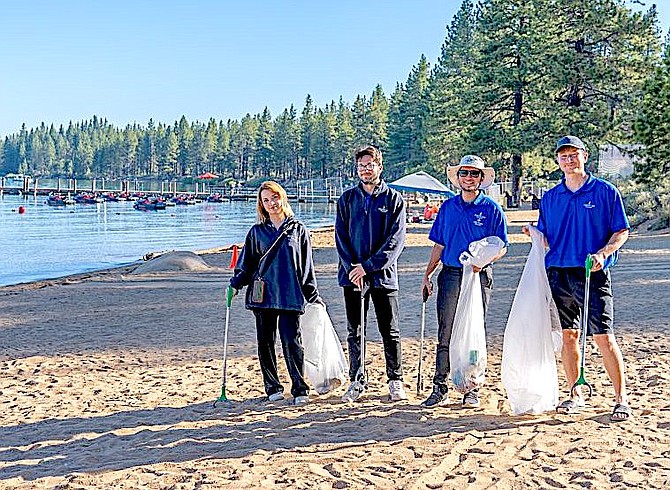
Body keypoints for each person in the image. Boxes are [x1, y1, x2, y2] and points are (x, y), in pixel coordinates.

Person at [528, 135, 631, 421]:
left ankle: (621, 399)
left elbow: (621, 231)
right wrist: (535, 236)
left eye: (574, 154)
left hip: (592, 272)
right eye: (564, 156)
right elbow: (548, 239)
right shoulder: (550, 197)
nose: (569, 160)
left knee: (603, 337)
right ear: (557, 160)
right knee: (569, 337)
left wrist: (603, 252)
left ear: (584, 156)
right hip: (558, 273)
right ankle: (576, 394)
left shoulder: (605, 191)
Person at [420, 155, 508, 408]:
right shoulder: (448, 208)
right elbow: (439, 243)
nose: (469, 178)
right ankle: (440, 385)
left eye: (474, 174)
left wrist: (485, 260)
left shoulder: (492, 209)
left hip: (479, 275)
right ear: (458, 178)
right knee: (445, 329)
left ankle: (472, 386)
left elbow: (501, 246)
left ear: (481, 179)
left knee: (473, 330)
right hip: (450, 274)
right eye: (465, 173)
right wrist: (427, 274)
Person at [230, 181, 320, 406]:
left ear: (283, 198)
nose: (271, 203)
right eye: (266, 200)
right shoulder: (257, 232)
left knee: (292, 341)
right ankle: (272, 387)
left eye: (274, 197)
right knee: (266, 342)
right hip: (264, 294)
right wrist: (235, 284)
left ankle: (300, 388)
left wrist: (313, 295)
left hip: (290, 293)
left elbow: (306, 266)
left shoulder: (298, 229)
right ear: (261, 204)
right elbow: (247, 264)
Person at [335, 145, 407, 402]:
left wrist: (369, 266)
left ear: (379, 166)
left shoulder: (394, 200)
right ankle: (357, 379)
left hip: (383, 277)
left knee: (390, 330)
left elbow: (395, 241)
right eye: (361, 166)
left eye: (370, 165)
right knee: (355, 330)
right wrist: (354, 268)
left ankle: (395, 379)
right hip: (352, 276)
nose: (366, 169)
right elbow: (341, 238)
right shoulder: (347, 199)